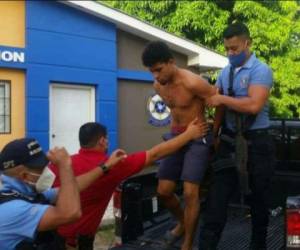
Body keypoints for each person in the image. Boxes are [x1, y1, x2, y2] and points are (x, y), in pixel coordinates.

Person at [50, 119, 208, 250]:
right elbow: (155, 154)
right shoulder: (112, 167)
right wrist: (189, 134)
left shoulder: (61, 164)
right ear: (102, 140)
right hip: (76, 243)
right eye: (107, 139)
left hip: (53, 235)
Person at [199, 22, 275, 250]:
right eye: (227, 49)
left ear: (247, 43)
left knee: (258, 201)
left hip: (258, 143)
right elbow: (219, 108)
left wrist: (220, 99)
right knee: (216, 199)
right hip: (229, 142)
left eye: (234, 48)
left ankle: (257, 245)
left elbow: (253, 105)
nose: (230, 53)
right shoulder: (226, 72)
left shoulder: (261, 70)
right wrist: (215, 133)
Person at [142, 41, 216, 250]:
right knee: (164, 191)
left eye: (159, 69)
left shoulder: (193, 82)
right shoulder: (158, 85)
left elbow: (216, 99)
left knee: (191, 192)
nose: (156, 75)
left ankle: (188, 243)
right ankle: (184, 223)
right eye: (151, 71)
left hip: (198, 137)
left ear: (171, 62)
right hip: (176, 137)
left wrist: (215, 132)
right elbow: (175, 111)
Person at [0, 138, 126, 250]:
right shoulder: (13, 209)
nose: (47, 171)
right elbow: (70, 213)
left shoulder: (26, 193)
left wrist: (106, 165)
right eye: (41, 169)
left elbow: (72, 187)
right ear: (24, 176)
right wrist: (65, 166)